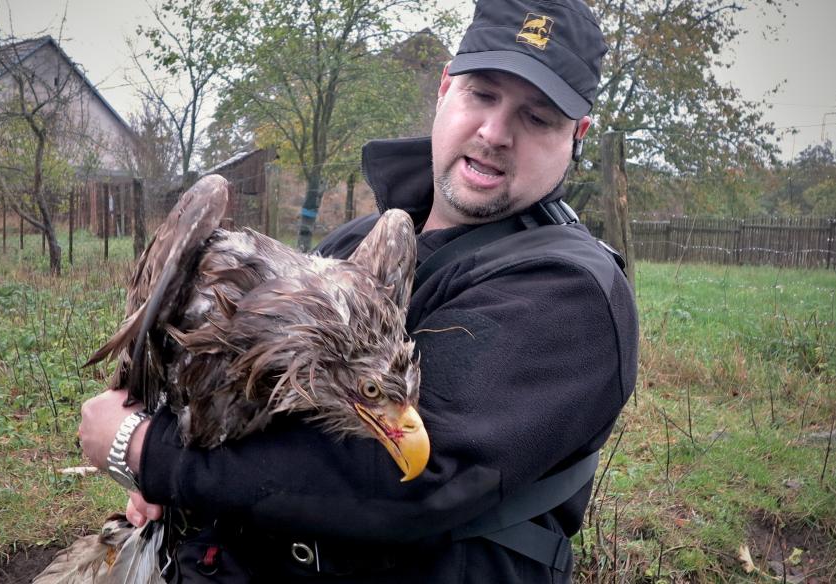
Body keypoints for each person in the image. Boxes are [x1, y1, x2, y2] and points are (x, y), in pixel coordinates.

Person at [79, 0, 638, 581]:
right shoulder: (362, 239)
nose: (496, 133)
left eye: (538, 117)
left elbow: (402, 479)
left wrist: (145, 452)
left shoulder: (570, 291)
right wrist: (167, 464)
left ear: (577, 136)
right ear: (445, 88)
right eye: (483, 94)